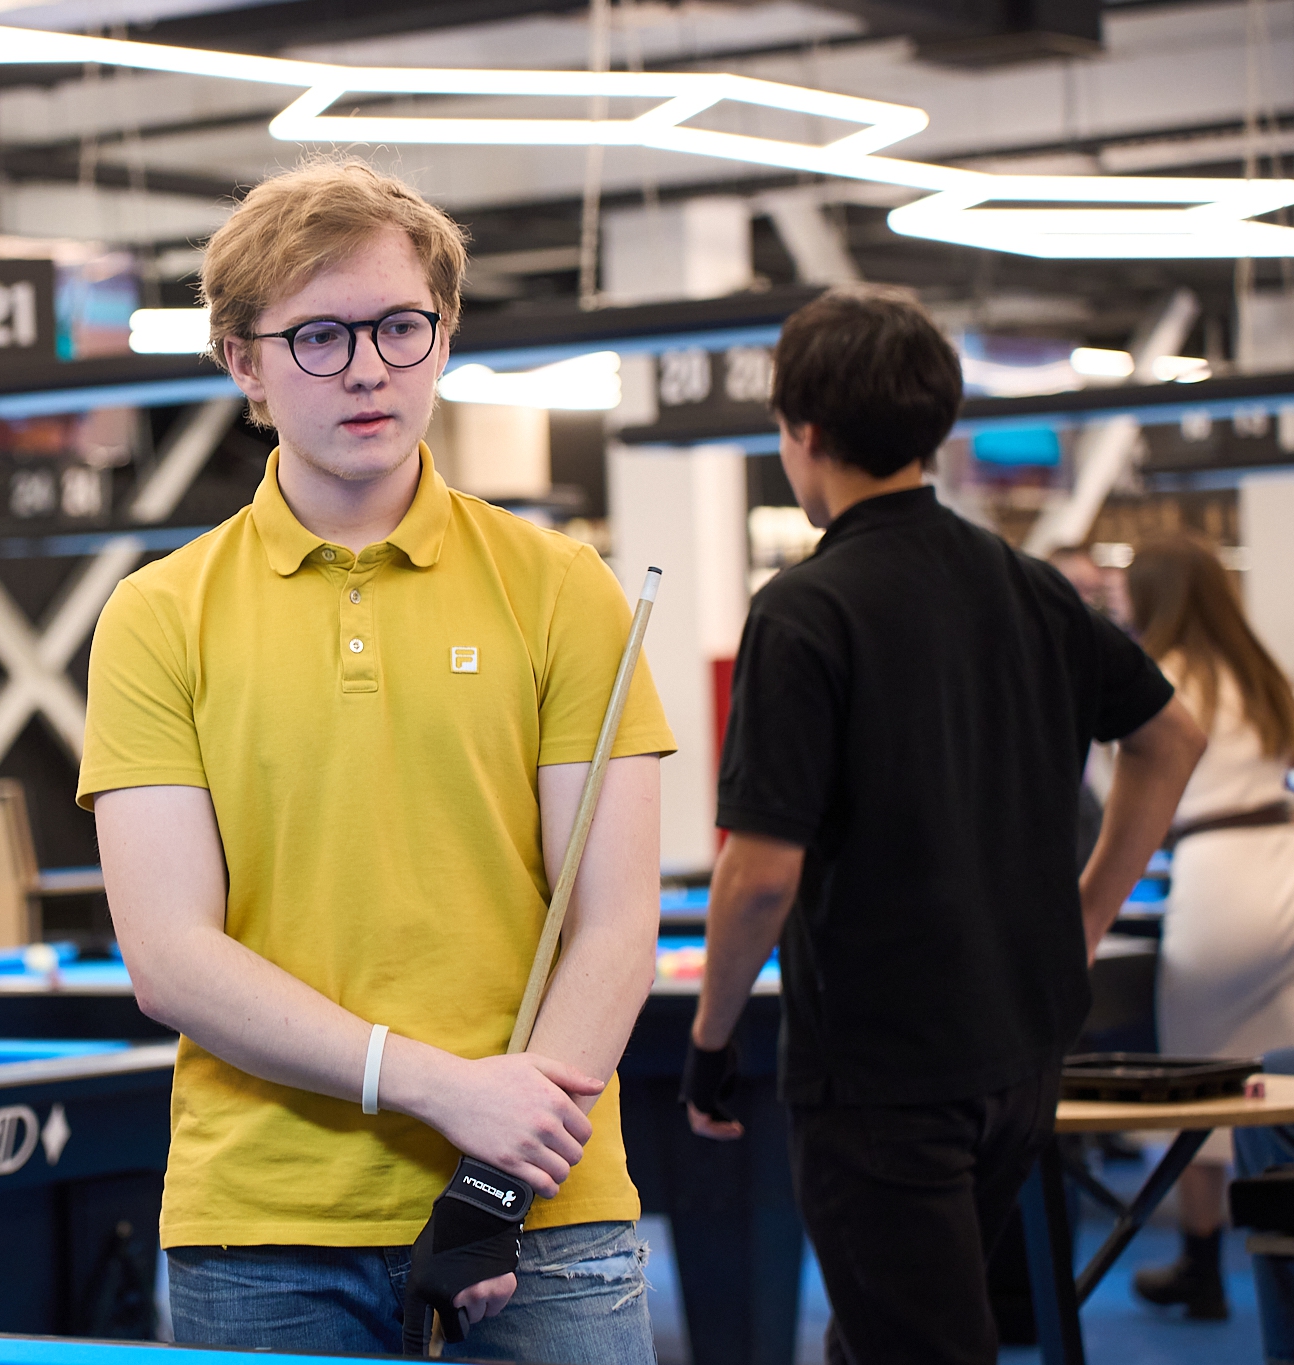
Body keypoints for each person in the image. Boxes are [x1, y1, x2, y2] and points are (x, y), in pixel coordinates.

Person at [80, 158, 675, 1364]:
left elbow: (614, 921)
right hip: (264, 1227)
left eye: (401, 326)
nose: (367, 367)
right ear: (242, 362)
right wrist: (440, 1088)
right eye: (318, 336)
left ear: (442, 333)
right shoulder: (155, 616)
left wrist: (495, 1180)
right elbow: (170, 957)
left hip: (543, 1208)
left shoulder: (562, 587)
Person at [678, 285, 1207, 1365]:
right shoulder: (1031, 586)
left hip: (882, 1070)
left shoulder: (803, 609)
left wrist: (711, 1035)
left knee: (918, 1339)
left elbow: (760, 875)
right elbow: (1171, 738)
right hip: (1019, 1051)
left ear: (803, 432)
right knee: (888, 1327)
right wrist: (1084, 916)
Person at [1123, 534, 1294, 1321]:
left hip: (1217, 874)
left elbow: (1122, 796)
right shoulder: (1259, 670)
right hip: (1283, 860)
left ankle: (1201, 1264)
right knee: (1282, 1074)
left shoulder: (1160, 676)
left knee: (1199, 1070)